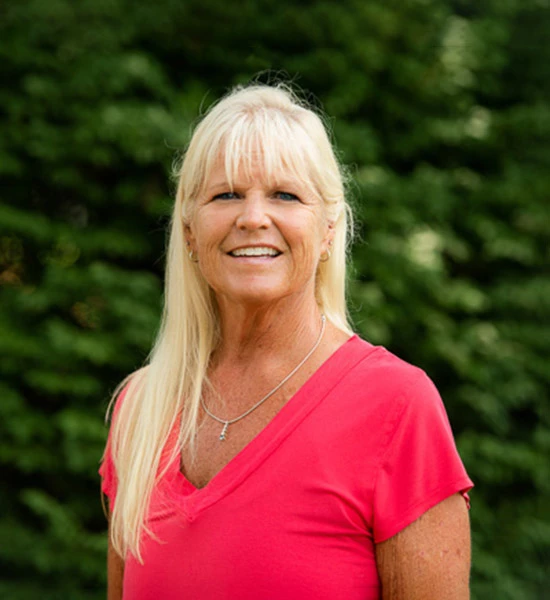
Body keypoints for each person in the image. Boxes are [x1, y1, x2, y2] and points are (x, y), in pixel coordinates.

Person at [100, 82, 473, 600]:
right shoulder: (142, 409)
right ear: (188, 231)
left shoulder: (396, 405)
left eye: (285, 195)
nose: (253, 218)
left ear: (327, 230)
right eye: (226, 195)